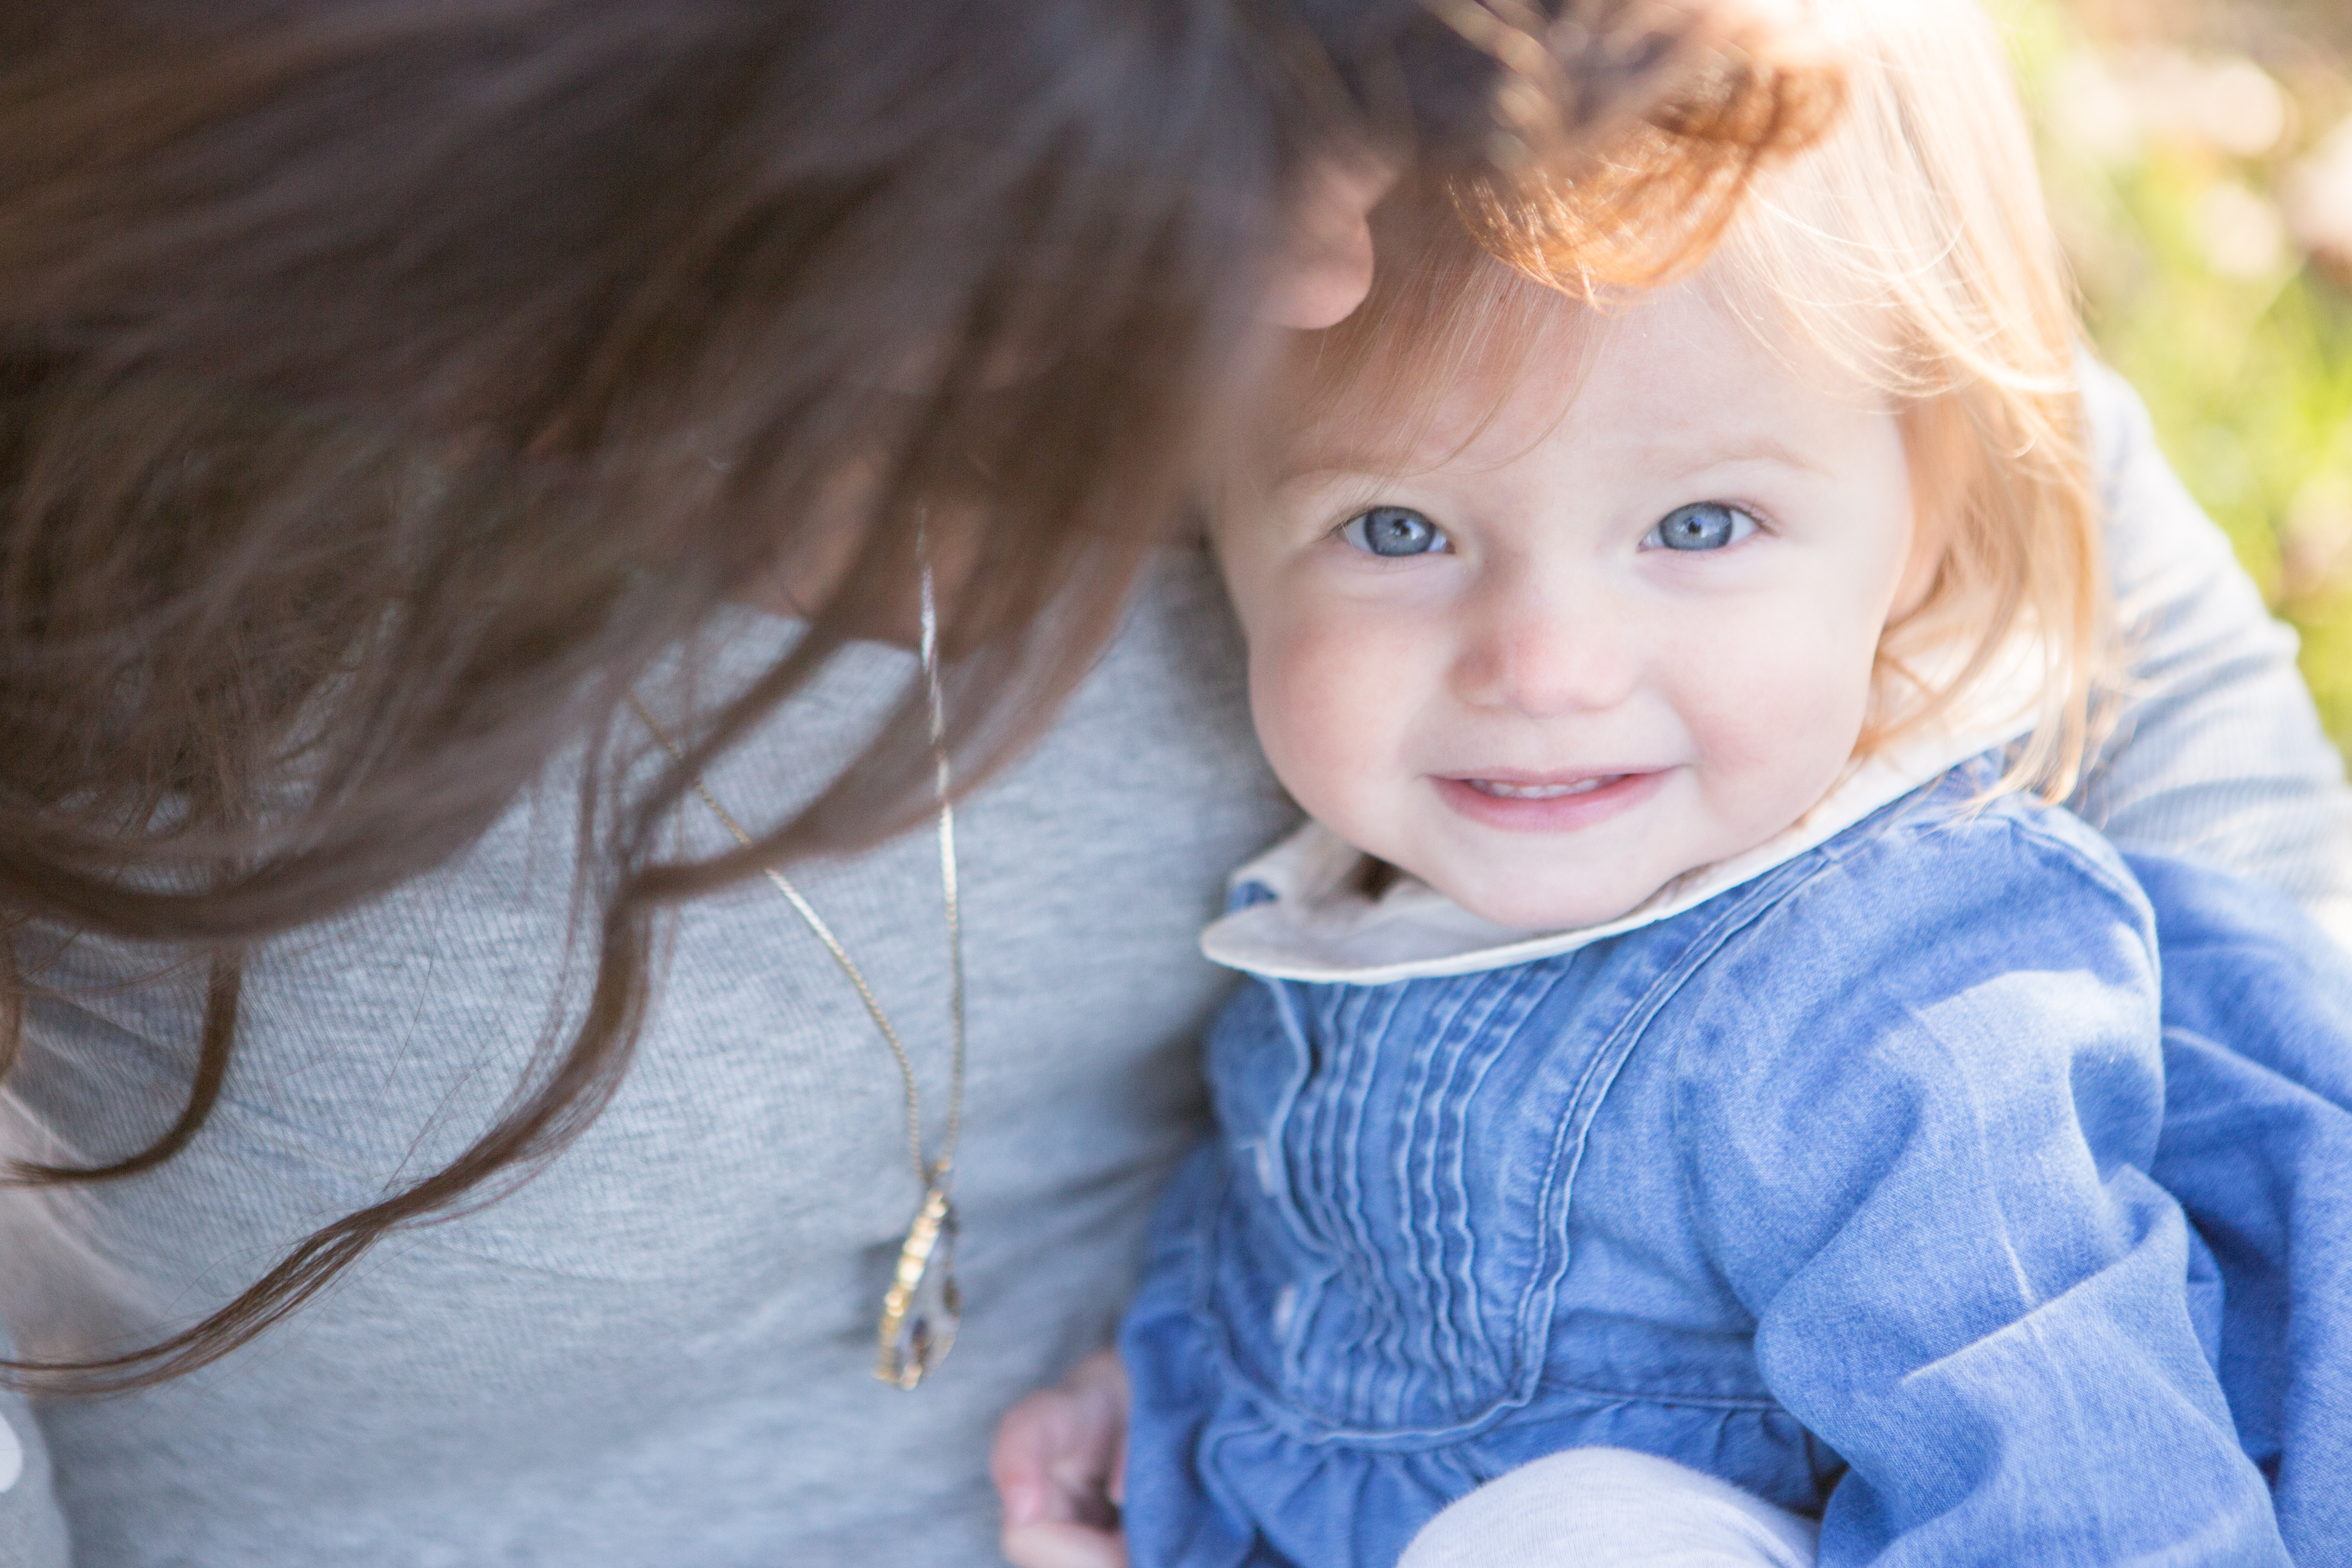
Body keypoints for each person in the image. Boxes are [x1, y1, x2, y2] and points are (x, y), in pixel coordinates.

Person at [0, 7, 2340, 1568]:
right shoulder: (139, 537)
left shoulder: (1531, 243)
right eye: (1400, 529)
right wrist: (1186, 1374)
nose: (1355, 252)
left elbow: (2081, 619)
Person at [1012, 1, 2349, 1563]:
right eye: (1396, 531)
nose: (1545, 664)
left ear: (1924, 532)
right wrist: (1178, 1393)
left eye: (1700, 527)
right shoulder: (1353, 904)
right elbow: (1334, 1267)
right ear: (1225, 545)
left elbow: (2095, 1509)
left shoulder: (1898, 1010)